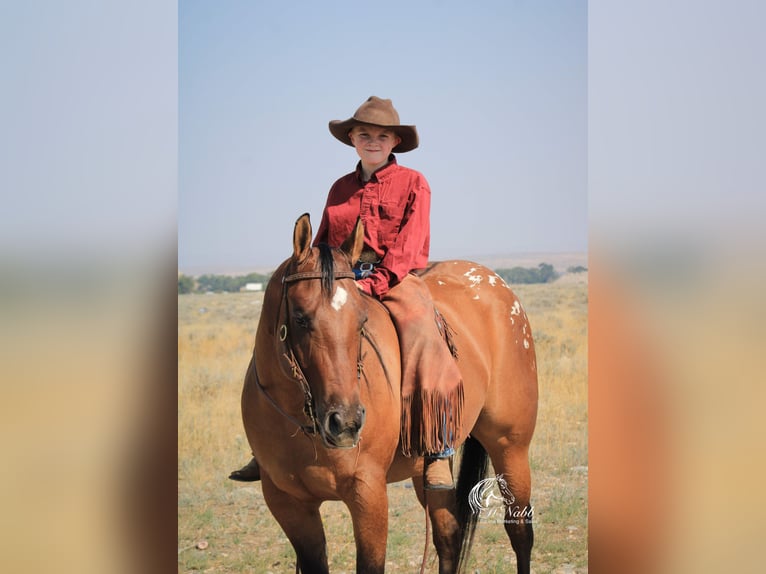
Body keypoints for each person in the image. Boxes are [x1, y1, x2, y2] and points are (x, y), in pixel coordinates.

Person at [230, 96, 463, 490]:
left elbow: (410, 244)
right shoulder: (339, 188)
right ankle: (270, 443)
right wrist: (315, 278)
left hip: (395, 277)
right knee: (292, 328)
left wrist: (372, 283)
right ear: (353, 139)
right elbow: (322, 241)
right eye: (365, 134)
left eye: (382, 136)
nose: (373, 141)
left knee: (423, 330)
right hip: (339, 281)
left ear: (394, 143)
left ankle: (437, 448)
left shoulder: (414, 183)